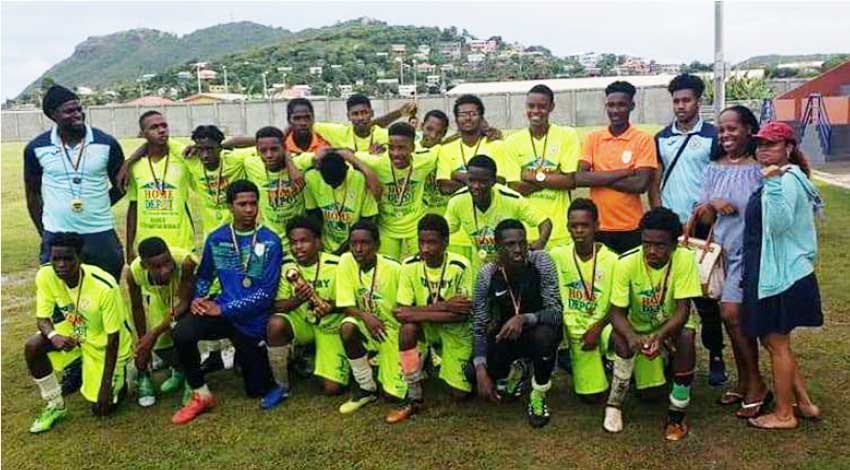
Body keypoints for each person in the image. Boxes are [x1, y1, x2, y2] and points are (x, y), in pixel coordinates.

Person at [170, 180, 283, 424]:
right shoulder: (217, 238)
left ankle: (261, 364)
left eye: (253, 203)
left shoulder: (270, 240)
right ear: (230, 206)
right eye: (242, 204)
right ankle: (200, 394)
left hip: (251, 321)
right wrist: (199, 299)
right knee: (182, 333)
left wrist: (223, 308)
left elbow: (266, 294)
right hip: (220, 314)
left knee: (257, 390)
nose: (249, 209)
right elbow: (205, 274)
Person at [742, 121, 823, 430]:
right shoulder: (790, 176)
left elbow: (777, 225)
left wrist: (773, 183)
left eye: (771, 144)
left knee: (777, 343)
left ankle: (784, 414)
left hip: (783, 275)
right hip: (781, 271)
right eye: (760, 144)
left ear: (788, 148)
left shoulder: (784, 180)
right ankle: (804, 403)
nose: (763, 149)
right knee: (776, 342)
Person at [651, 74, 727, 387]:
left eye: (687, 100)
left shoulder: (713, 136)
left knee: (706, 298)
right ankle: (671, 355)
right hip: (671, 230)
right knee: (668, 296)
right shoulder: (661, 137)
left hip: (701, 228)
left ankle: (716, 355)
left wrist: (703, 215)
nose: (681, 106)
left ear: (699, 101)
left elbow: (721, 178)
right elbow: (655, 181)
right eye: (677, 101)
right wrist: (660, 216)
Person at [602, 207, 702, 441]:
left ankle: (677, 413)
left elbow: (682, 310)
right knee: (622, 341)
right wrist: (633, 336)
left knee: (687, 337)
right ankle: (614, 404)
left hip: (669, 328)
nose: (652, 251)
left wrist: (659, 336)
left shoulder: (685, 258)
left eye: (660, 245)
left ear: (674, 244)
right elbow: (616, 314)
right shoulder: (625, 262)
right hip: (636, 328)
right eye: (646, 243)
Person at [694, 105, 767, 415]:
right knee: (731, 318)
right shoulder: (714, 168)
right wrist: (712, 203)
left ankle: (757, 383)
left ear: (749, 129)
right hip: (721, 255)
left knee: (732, 315)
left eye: (732, 128)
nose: (725, 134)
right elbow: (702, 215)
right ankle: (744, 382)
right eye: (721, 129)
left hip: (749, 253)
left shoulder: (760, 168)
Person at [24, 233, 133, 433]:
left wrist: (105, 386)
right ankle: (55, 405)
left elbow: (113, 338)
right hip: (75, 332)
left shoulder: (104, 286)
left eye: (67, 259)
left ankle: (123, 376)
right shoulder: (46, 276)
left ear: (80, 258)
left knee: (101, 409)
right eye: (56, 259)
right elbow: (43, 319)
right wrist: (53, 336)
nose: (61, 265)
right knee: (33, 347)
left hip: (105, 344)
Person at [24, 85, 126, 281]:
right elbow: (32, 194)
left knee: (106, 291)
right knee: (62, 302)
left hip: (100, 233)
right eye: (70, 111)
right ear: (53, 115)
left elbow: (122, 185)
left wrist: (100, 202)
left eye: (79, 109)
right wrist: (44, 232)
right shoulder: (37, 148)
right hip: (57, 235)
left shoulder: (106, 143)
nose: (78, 114)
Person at [472, 219, 563, 428]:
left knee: (546, 337)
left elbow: (557, 314)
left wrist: (523, 318)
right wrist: (479, 369)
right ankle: (519, 367)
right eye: (510, 244)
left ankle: (538, 394)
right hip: (506, 337)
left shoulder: (541, 262)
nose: (519, 250)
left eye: (522, 243)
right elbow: (478, 324)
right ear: (497, 248)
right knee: (472, 378)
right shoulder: (487, 274)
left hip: (537, 331)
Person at [387, 214, 474, 423]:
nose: (425, 248)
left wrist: (417, 312)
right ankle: (415, 394)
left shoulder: (460, 265)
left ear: (446, 242)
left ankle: (434, 363)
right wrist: (445, 305)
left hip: (454, 331)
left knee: (459, 394)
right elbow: (400, 313)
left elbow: (460, 315)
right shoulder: (409, 265)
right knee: (407, 329)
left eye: (431, 242)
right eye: (421, 242)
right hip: (426, 329)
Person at [267, 216, 347, 397]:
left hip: (329, 328)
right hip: (303, 324)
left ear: (318, 242)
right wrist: (298, 299)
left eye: (304, 241)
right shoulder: (287, 266)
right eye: (294, 242)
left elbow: (349, 301)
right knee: (275, 325)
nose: (298, 247)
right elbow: (278, 306)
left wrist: (330, 307)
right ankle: (281, 385)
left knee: (332, 389)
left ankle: (316, 357)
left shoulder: (336, 265)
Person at [575, 80, 657, 254]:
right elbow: (581, 178)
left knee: (630, 279)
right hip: (597, 226)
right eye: (611, 105)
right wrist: (624, 173)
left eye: (621, 105)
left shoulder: (643, 139)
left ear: (632, 106)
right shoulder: (593, 139)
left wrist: (597, 177)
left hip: (631, 227)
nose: (615, 111)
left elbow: (640, 185)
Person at [549, 199, 618, 402]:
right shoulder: (557, 256)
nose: (579, 230)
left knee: (621, 337)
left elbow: (619, 304)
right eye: (574, 226)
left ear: (596, 226)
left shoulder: (613, 260)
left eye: (585, 225)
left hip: (603, 324)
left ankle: (621, 372)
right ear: (567, 227)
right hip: (574, 327)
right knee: (592, 398)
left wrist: (598, 326)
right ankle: (569, 359)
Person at [335, 220, 405, 413]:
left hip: (392, 330)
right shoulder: (345, 261)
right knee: (347, 327)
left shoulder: (395, 269)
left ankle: (411, 360)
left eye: (365, 243)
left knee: (392, 396)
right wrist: (366, 316)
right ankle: (365, 386)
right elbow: (345, 305)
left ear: (377, 245)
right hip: (366, 325)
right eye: (353, 243)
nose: (358, 249)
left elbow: (409, 308)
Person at [444, 155, 552, 274]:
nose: (476, 186)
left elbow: (545, 222)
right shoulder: (457, 200)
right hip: (481, 270)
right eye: (471, 180)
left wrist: (540, 242)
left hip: (512, 270)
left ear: (494, 181)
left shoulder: (511, 199)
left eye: (483, 182)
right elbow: (443, 230)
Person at [505, 84, 582, 248]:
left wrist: (530, 175)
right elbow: (515, 188)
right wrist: (554, 177)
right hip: (525, 231)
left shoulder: (567, 135)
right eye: (531, 106)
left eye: (542, 106)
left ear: (551, 107)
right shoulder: (512, 142)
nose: (536, 111)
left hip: (560, 230)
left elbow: (569, 182)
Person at [128, 237, 198, 408]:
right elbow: (137, 306)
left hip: (188, 300)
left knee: (183, 333)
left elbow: (183, 303)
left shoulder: (186, 262)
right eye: (157, 267)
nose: (166, 270)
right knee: (161, 346)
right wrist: (143, 341)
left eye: (167, 262)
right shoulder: (133, 272)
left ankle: (193, 380)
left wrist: (153, 333)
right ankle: (180, 369)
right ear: (145, 266)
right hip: (161, 299)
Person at [355, 122, 437, 259]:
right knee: (389, 271)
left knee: (418, 269)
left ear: (413, 147)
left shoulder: (426, 160)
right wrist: (368, 164)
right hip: (387, 229)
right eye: (391, 148)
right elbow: (349, 154)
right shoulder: (378, 162)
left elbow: (445, 147)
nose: (395, 154)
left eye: (401, 148)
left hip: (415, 229)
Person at [126, 111, 194, 261]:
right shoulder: (135, 166)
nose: (162, 130)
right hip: (147, 243)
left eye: (164, 125)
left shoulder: (184, 161)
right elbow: (133, 206)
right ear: (143, 134)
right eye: (154, 127)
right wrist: (129, 247)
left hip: (180, 241)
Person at [436, 94, 519, 196]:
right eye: (462, 114)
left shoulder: (497, 145)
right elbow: (444, 187)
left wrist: (456, 175)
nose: (467, 118)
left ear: (481, 118)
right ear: (456, 120)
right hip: (458, 209)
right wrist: (483, 182)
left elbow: (500, 181)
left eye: (473, 114)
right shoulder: (445, 149)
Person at [243, 126, 313, 241]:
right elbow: (222, 147)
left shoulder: (299, 162)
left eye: (274, 149)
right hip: (268, 240)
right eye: (263, 151)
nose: (269, 155)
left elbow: (325, 155)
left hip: (296, 241)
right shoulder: (250, 164)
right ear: (256, 150)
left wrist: (290, 162)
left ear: (284, 148)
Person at [304, 150, 379, 255]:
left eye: (338, 182)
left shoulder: (359, 179)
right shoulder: (311, 178)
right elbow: (313, 214)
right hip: (325, 247)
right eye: (329, 182)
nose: (334, 186)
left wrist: (342, 250)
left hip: (354, 247)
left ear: (347, 170)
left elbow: (367, 220)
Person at [185, 124, 248, 237]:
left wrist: (227, 144)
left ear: (219, 148)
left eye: (210, 149)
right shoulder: (192, 162)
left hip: (239, 230)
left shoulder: (235, 160)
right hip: (211, 234)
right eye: (201, 149)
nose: (205, 155)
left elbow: (259, 141)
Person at [313, 94, 415, 152]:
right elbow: (305, 124)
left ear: (372, 113)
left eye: (364, 113)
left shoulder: (384, 136)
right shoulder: (338, 132)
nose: (360, 117)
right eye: (355, 114)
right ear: (348, 116)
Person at [418, 110, 451, 215]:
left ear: (444, 133)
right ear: (422, 126)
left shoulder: (449, 152)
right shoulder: (410, 149)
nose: (432, 135)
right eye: (429, 129)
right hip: (418, 217)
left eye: (439, 132)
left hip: (445, 216)